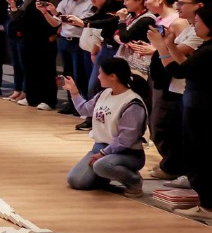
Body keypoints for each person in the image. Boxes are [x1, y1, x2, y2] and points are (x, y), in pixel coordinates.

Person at [154, 2, 212, 222]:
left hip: (202, 110)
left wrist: (160, 47)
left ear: (211, 25)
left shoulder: (211, 50)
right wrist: (171, 45)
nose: (195, 26)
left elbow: (178, 71)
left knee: (200, 156)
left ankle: (207, 206)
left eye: (198, 22)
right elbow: (189, 67)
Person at [64, 57, 149, 196]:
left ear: (113, 76)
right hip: (100, 148)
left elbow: (125, 139)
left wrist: (104, 153)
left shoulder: (132, 103)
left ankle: (134, 181)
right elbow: (85, 110)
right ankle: (106, 174)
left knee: (102, 165)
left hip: (127, 153)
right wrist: (74, 91)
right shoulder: (104, 94)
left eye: (100, 73)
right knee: (76, 180)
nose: (98, 77)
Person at [12, 0, 61, 110]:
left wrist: (55, 35)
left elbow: (58, 21)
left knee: (46, 70)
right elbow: (17, 17)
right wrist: (12, 5)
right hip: (29, 40)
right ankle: (32, 97)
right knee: (30, 70)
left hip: (46, 40)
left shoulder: (52, 1)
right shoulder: (29, 0)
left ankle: (48, 100)